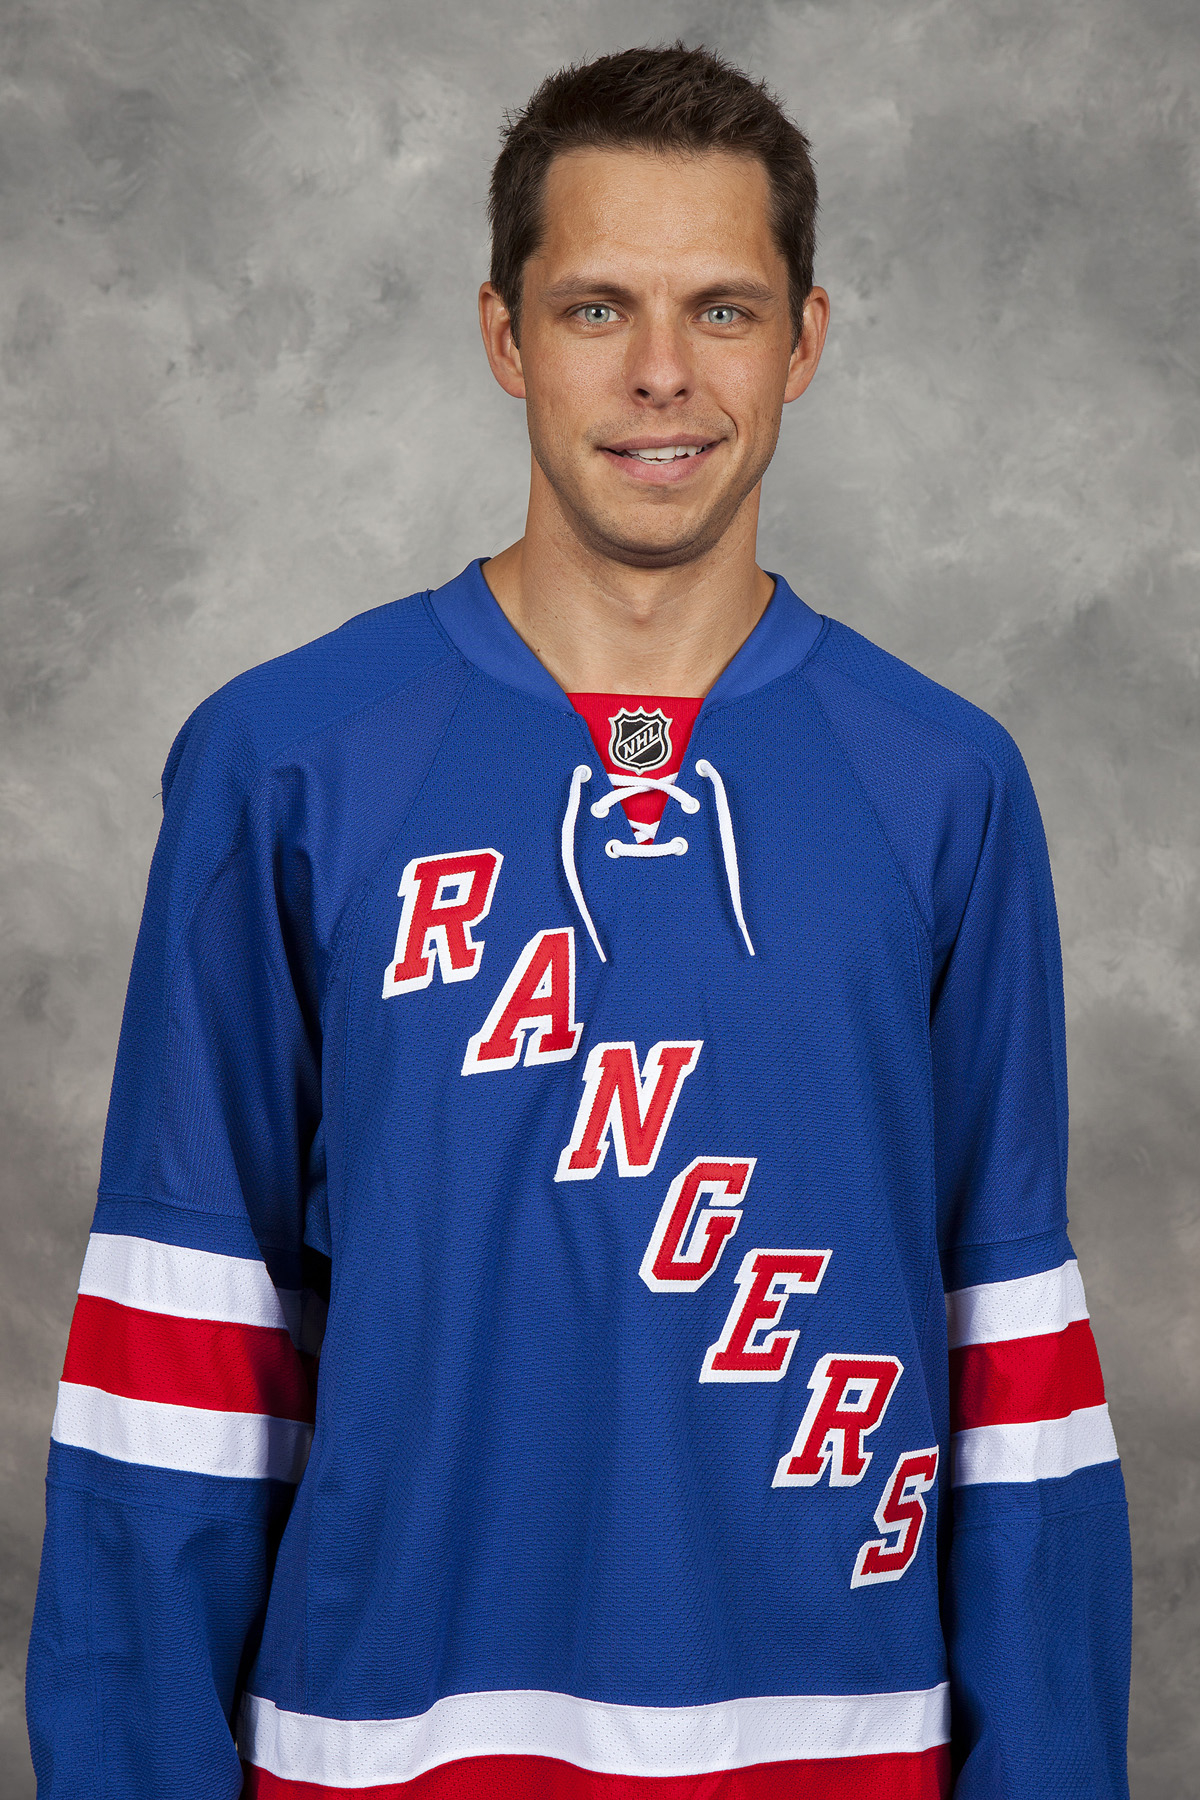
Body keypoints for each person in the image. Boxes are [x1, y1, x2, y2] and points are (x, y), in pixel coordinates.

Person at [26, 42, 1132, 1799]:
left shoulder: (946, 783)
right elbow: (182, 1339)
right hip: (383, 1744)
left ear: (808, 341)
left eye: (725, 308)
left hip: (837, 1746)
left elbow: (1013, 1358)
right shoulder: (282, 762)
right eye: (599, 306)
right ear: (504, 336)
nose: (664, 374)